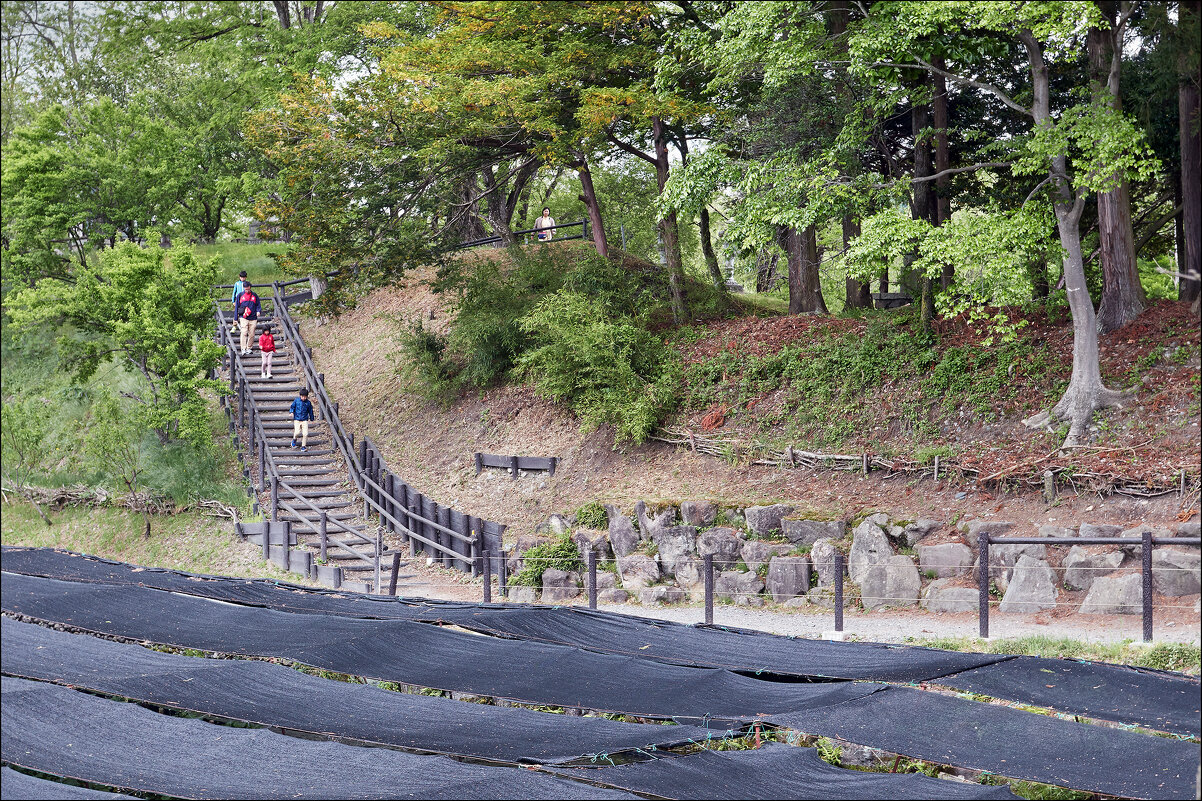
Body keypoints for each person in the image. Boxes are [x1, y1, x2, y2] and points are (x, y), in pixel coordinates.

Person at [235, 283, 261, 355]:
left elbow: (258, 304)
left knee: (252, 333)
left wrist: (258, 311)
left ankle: (249, 348)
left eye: (248, 289)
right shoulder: (240, 295)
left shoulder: (254, 295)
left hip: (253, 317)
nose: (247, 290)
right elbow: (237, 307)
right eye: (246, 289)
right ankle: (243, 348)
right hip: (243, 317)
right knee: (244, 332)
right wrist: (235, 318)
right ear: (243, 288)